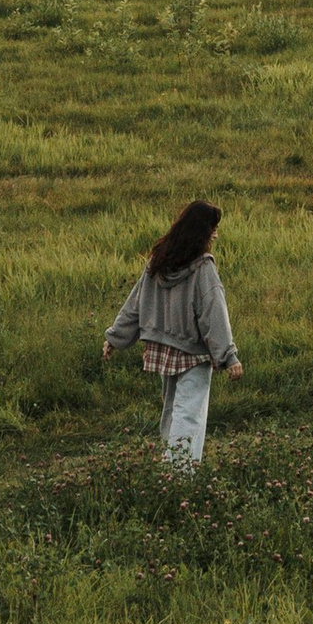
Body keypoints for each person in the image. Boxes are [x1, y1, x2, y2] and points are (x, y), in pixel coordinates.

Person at [103, 196, 243, 465]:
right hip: (192, 352)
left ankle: (169, 468)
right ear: (202, 231)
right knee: (189, 413)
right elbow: (213, 313)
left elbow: (136, 301)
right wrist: (228, 356)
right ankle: (181, 475)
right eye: (213, 228)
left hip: (164, 349)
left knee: (173, 411)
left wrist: (116, 336)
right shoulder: (203, 268)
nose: (216, 234)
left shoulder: (160, 260)